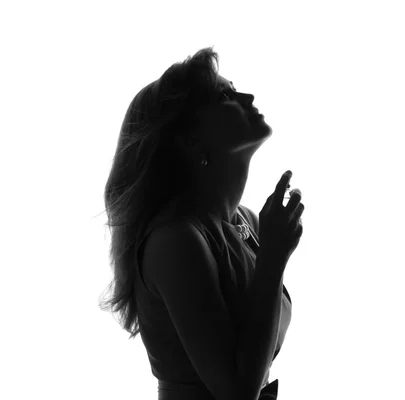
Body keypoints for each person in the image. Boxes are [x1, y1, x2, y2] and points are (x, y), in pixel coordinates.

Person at [99, 47, 304, 400]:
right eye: (225, 95)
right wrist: (272, 257)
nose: (247, 96)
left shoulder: (251, 222)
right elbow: (237, 393)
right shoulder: (175, 240)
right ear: (190, 139)